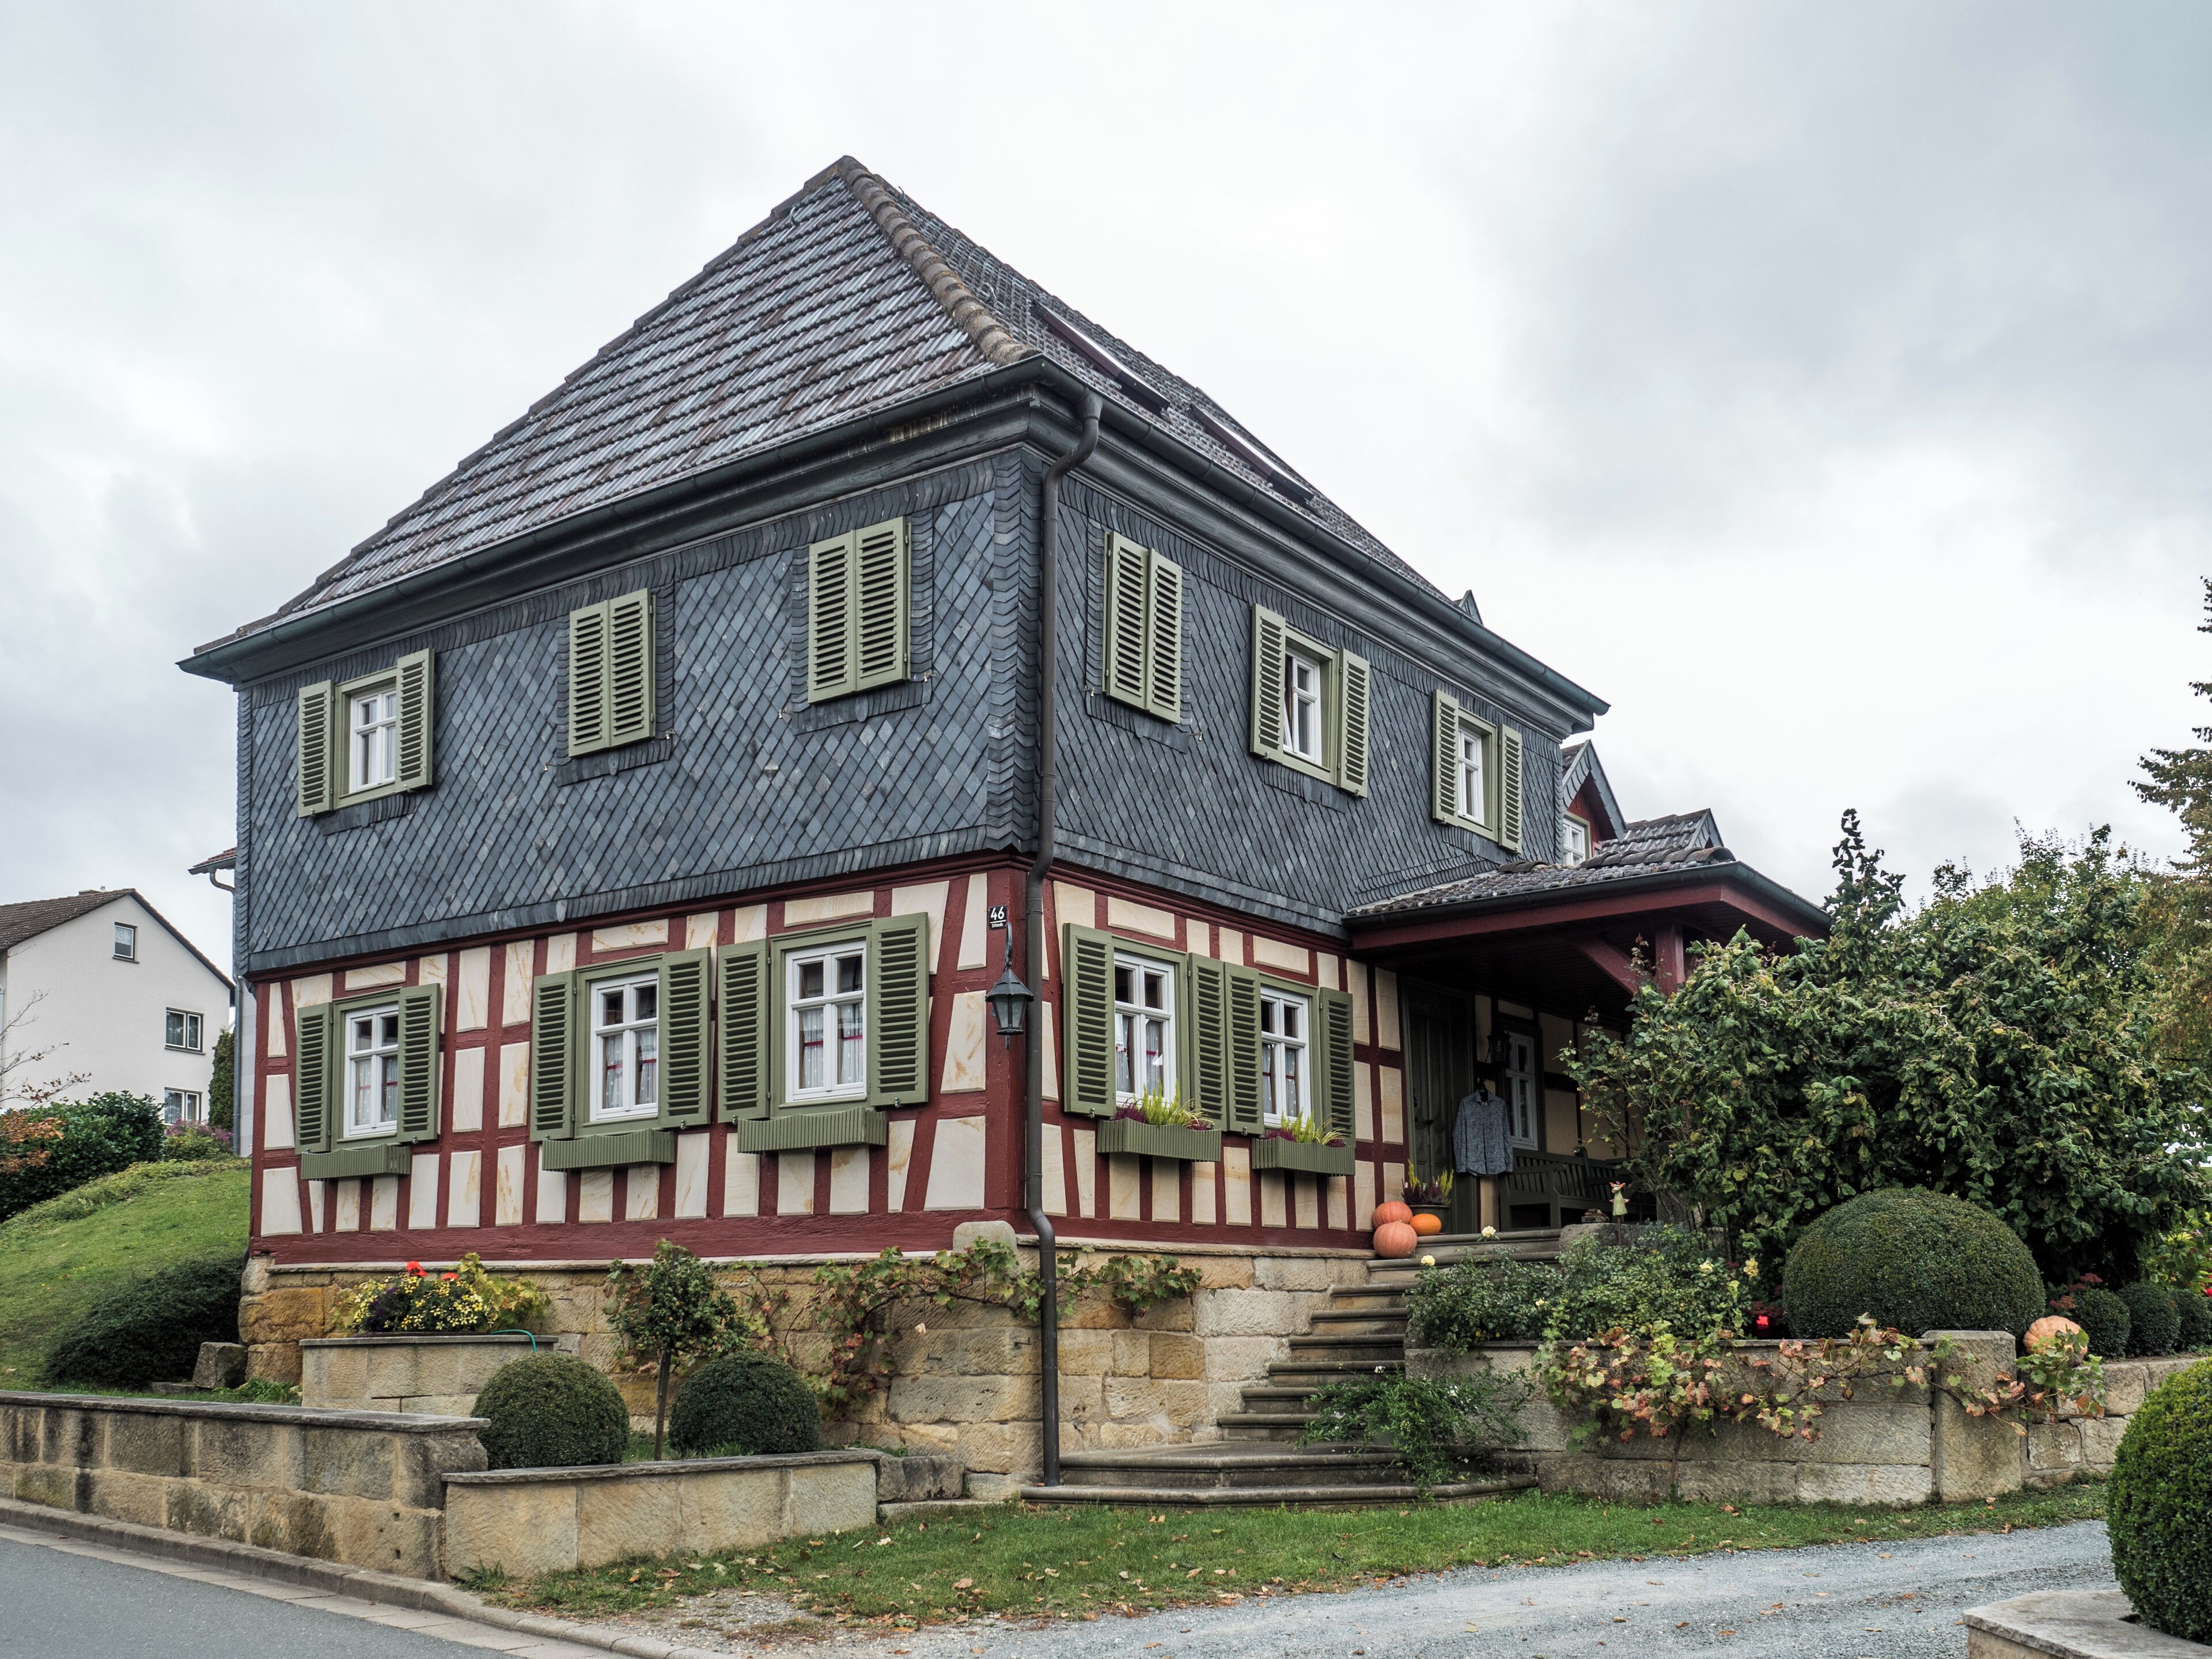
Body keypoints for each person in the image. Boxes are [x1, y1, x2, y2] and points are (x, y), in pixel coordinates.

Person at [1453, 1061, 1514, 1177]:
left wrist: (1508, 1164)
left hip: (1496, 1163)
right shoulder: (1466, 1104)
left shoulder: (1499, 1105)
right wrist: (1462, 1165)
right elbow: (1459, 1134)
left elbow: (1506, 1135)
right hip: (1474, 1163)